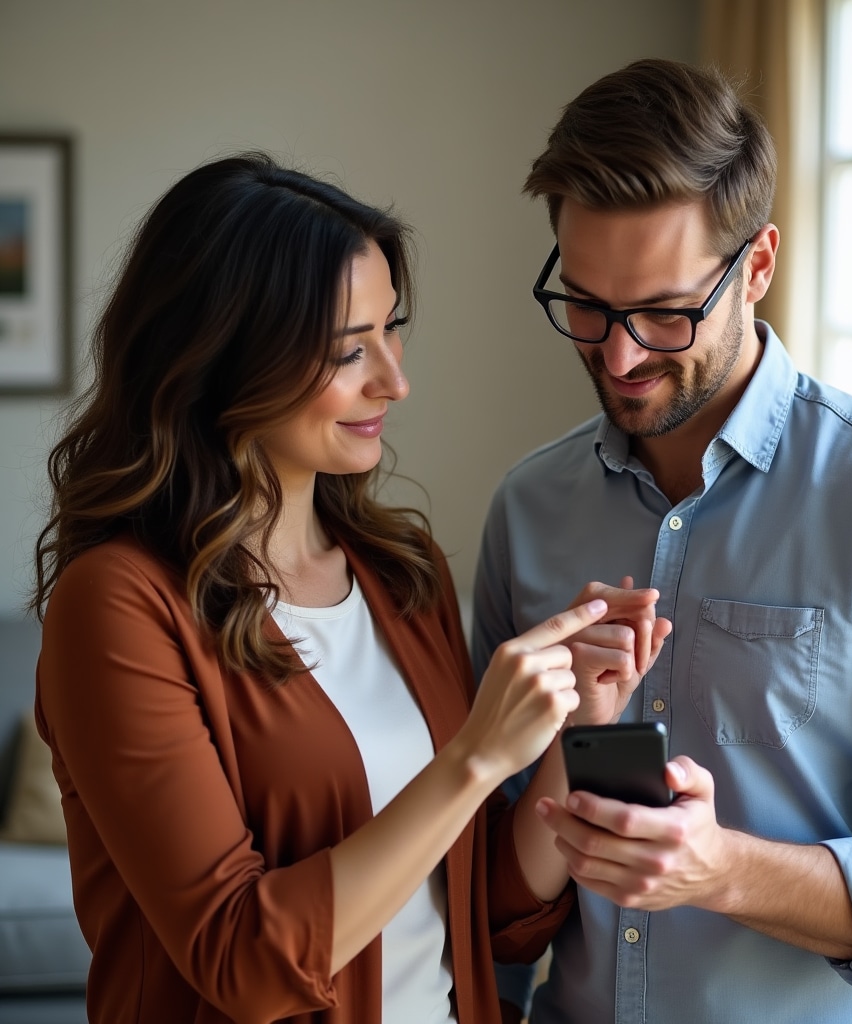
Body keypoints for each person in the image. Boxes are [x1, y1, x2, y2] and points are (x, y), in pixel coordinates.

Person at [30, 153, 666, 1024]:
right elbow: (242, 962)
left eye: (390, 329)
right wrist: (475, 757)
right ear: (221, 360)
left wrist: (573, 728)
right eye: (346, 352)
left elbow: (486, 916)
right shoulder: (118, 606)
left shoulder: (403, 571)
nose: (393, 379)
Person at [473, 59, 852, 1023]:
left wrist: (723, 871)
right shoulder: (528, 509)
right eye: (589, 306)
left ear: (757, 267)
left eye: (665, 312)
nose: (620, 355)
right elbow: (486, 858)